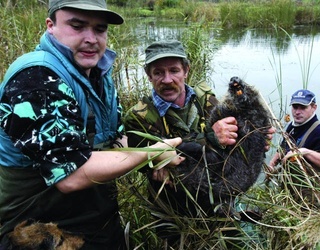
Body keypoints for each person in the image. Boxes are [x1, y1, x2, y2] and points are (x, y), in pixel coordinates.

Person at [0, 1, 183, 250]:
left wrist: (159, 153)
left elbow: (116, 140)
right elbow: (71, 175)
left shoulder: (98, 75)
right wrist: (153, 152)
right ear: (50, 26)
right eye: (77, 26)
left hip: (96, 220)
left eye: (100, 29)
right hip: (38, 231)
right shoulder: (36, 78)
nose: (91, 39)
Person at [123, 40, 275, 244]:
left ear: (186, 70)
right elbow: (154, 158)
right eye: (158, 72)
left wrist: (254, 138)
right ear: (149, 75)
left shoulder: (205, 98)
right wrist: (211, 138)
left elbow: (233, 143)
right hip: (171, 211)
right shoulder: (138, 117)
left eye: (174, 70)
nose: (167, 79)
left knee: (236, 243)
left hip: (219, 202)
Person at [268, 89, 320, 206]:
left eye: (303, 107)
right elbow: (285, 146)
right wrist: (274, 161)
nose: (297, 112)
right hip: (289, 193)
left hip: (310, 200)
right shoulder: (293, 126)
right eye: (295, 107)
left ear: (314, 107)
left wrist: (305, 152)